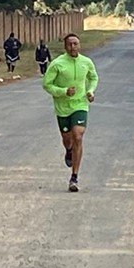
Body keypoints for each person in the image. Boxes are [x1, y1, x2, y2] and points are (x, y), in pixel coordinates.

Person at [42, 33, 98, 192]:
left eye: (76, 44)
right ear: (65, 47)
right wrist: (63, 91)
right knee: (67, 140)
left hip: (80, 104)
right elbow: (47, 84)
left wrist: (90, 91)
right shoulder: (57, 64)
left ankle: (74, 177)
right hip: (62, 108)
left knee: (78, 136)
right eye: (70, 44)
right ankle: (68, 150)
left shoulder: (86, 62)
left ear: (79, 45)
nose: (73, 47)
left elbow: (93, 78)